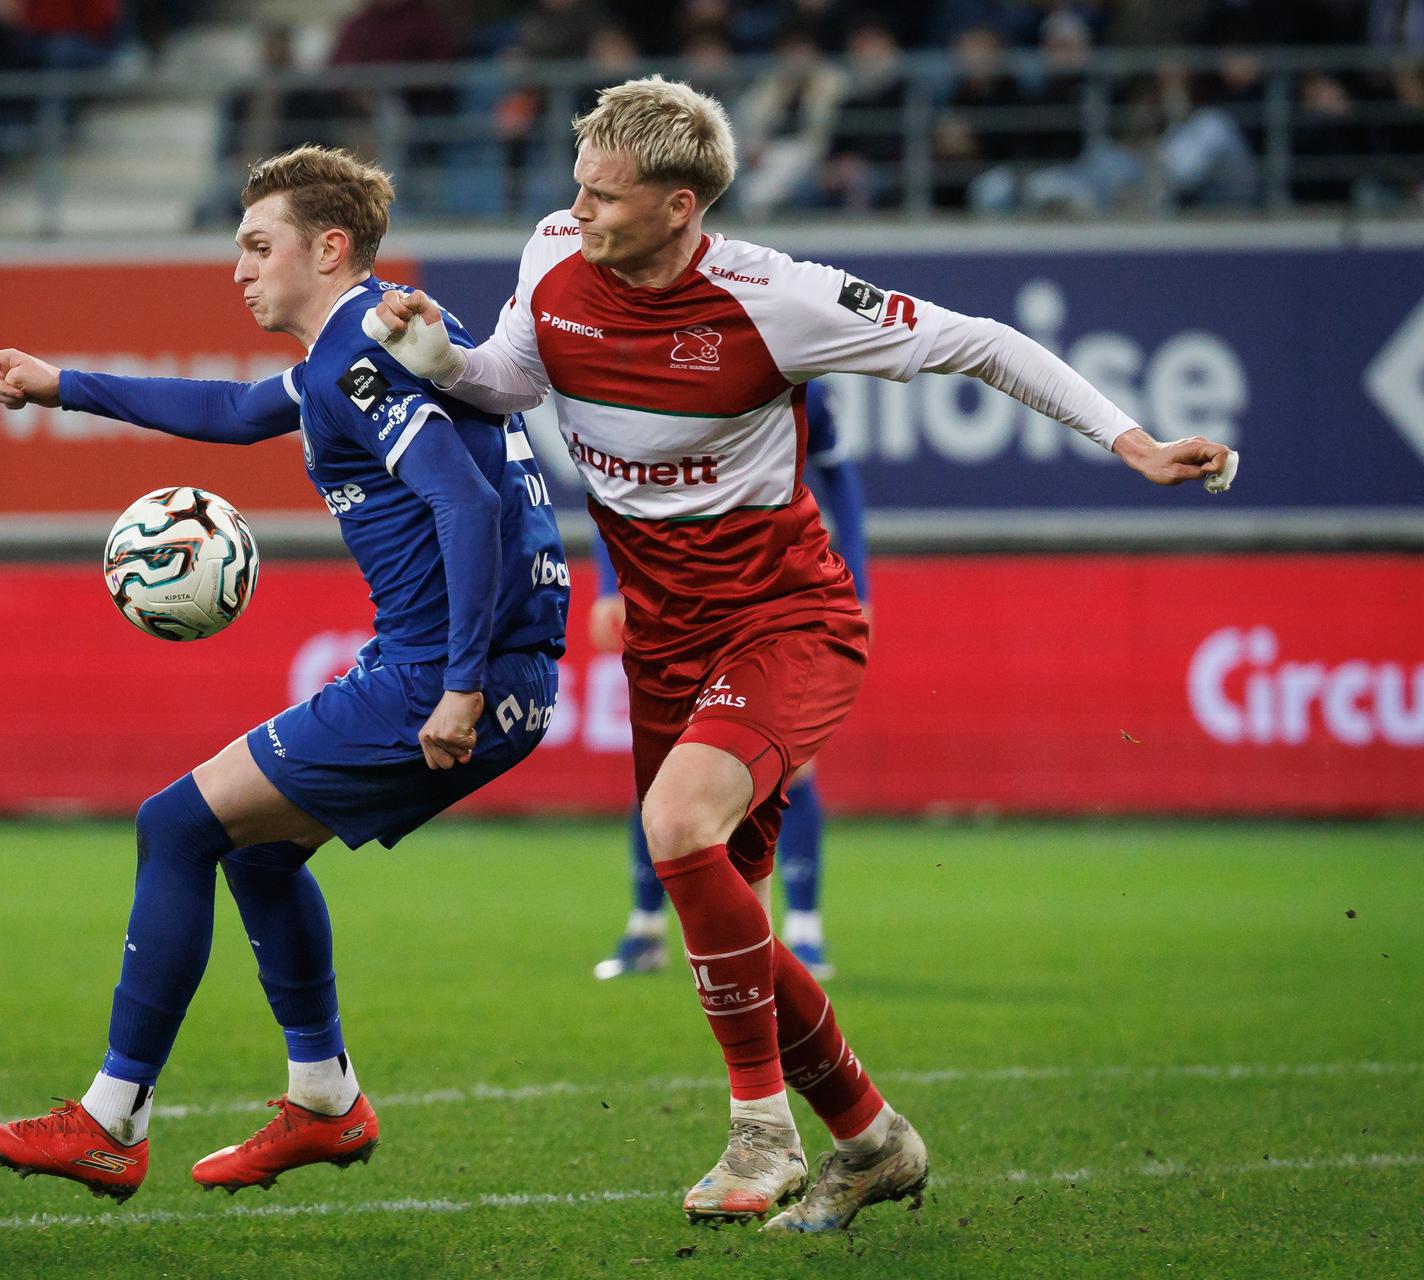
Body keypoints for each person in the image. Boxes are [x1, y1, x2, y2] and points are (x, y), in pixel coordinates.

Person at [364, 75, 1235, 1233]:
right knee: (727, 917)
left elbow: (981, 343)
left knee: (676, 831)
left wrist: (1130, 440)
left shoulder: (778, 298)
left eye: (606, 194)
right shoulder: (550, 255)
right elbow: (513, 379)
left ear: (682, 206)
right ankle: (872, 1137)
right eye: (576, 185)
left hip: (789, 620)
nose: (579, 209)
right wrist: (436, 355)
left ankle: (761, 1130)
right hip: (666, 643)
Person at [0, 145, 570, 1204]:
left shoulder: (360, 355)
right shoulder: (381, 336)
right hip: (471, 664)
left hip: (440, 673)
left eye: (257, 245)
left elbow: (465, 505)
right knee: (258, 853)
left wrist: (460, 685)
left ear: (328, 248)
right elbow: (240, 415)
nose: (239, 268)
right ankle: (324, 1098)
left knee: (175, 824)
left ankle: (109, 1119)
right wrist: (65, 386)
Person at [592, 378, 866, 983]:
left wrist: (863, 591)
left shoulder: (792, 375)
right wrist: (608, 587)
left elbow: (840, 477)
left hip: (766, 603)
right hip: (671, 607)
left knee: (792, 766)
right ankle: (645, 928)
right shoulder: (639, 377)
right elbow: (613, 486)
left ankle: (803, 931)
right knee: (666, 770)